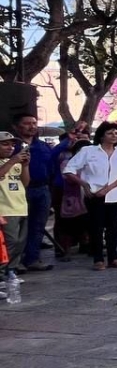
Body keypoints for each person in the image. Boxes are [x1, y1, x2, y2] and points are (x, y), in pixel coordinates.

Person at [64, 122, 117, 271]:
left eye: (116, 133)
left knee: (112, 227)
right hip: (94, 194)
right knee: (96, 227)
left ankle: (113, 257)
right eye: (110, 133)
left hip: (115, 194)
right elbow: (69, 169)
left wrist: (108, 188)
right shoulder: (88, 151)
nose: (114, 136)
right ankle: (98, 258)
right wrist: (83, 183)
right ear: (102, 136)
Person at [13, 112, 54, 272]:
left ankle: (33, 258)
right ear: (16, 126)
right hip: (19, 190)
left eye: (34, 123)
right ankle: (16, 261)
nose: (32, 126)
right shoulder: (12, 146)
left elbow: (51, 167)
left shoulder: (43, 146)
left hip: (42, 189)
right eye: (27, 123)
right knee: (19, 228)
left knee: (38, 226)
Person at [0, 131, 31, 291]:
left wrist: (25, 166)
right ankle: (2, 272)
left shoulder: (15, 163)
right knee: (9, 242)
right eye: (5, 144)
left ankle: (11, 270)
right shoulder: (10, 162)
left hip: (20, 206)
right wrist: (13, 161)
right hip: (4, 209)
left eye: (12, 144)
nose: (10, 147)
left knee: (19, 243)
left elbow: (25, 183)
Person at [55, 139, 90, 257]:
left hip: (88, 198)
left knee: (87, 224)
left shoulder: (93, 163)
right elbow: (68, 178)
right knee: (68, 226)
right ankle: (66, 251)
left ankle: (88, 246)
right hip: (72, 199)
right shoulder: (67, 163)